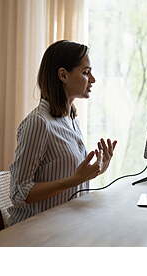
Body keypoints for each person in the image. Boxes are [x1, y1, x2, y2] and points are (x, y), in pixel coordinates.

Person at [8, 40, 117, 225]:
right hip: (37, 231)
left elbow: (69, 178)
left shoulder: (71, 119)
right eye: (86, 72)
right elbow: (19, 193)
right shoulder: (39, 123)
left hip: (67, 224)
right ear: (63, 75)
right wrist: (74, 180)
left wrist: (96, 171)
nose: (93, 79)